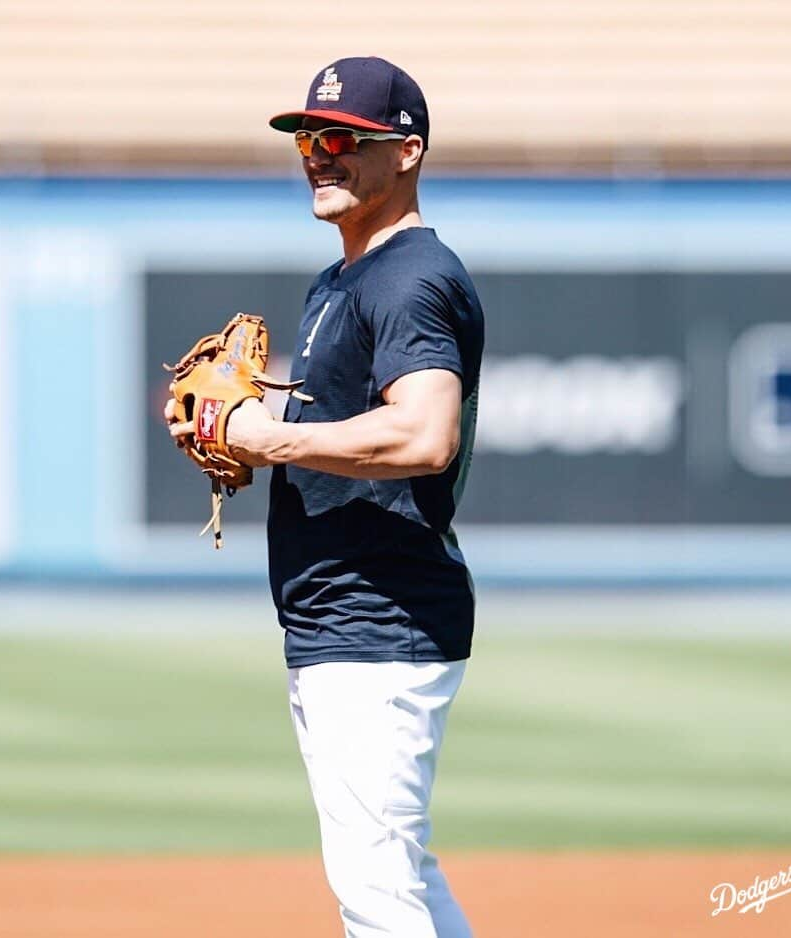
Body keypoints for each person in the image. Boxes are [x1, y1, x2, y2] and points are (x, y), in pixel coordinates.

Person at [226, 56, 484, 938]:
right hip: (344, 616)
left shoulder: (411, 277)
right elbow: (341, 421)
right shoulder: (339, 280)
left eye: (341, 138)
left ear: (405, 151)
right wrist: (252, 422)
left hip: (381, 618)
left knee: (375, 894)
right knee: (397, 870)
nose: (316, 153)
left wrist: (277, 438)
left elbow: (423, 434)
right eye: (306, 136)